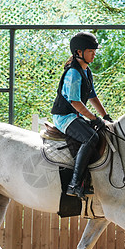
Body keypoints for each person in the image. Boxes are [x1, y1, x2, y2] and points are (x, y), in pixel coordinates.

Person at [51, 32, 113, 198]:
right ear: (79, 52)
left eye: (94, 51)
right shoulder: (73, 73)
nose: (94, 54)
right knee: (90, 138)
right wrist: (93, 118)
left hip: (76, 116)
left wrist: (105, 116)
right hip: (64, 116)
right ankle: (74, 184)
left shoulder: (87, 71)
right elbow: (75, 103)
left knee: (101, 132)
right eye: (90, 51)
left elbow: (92, 96)